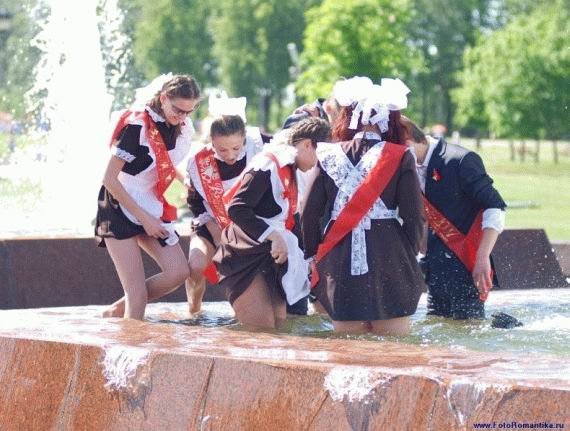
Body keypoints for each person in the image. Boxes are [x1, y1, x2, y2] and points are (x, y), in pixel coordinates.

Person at [302, 77, 425, 336]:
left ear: (347, 115)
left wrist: (312, 255)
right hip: (390, 253)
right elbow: (414, 216)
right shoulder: (401, 155)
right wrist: (410, 251)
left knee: (347, 347)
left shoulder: (326, 154)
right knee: (395, 350)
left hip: (340, 257)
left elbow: (309, 213)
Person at [96, 74, 201, 320]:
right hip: (118, 204)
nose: (182, 117)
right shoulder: (137, 126)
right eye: (178, 109)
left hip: (149, 202)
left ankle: (115, 312)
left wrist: (182, 179)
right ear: (163, 98)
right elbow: (109, 179)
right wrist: (146, 221)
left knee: (178, 272)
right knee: (138, 298)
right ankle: (130, 350)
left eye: (189, 111)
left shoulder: (179, 126)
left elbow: (160, 162)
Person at [213, 118, 331, 330]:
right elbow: (236, 208)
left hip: (272, 256)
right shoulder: (270, 162)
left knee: (280, 329)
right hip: (245, 255)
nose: (319, 164)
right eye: (321, 156)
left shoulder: (292, 166)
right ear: (306, 144)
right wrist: (273, 236)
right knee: (262, 331)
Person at [402, 117, 506, 320]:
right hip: (435, 270)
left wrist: (483, 256)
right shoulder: (410, 168)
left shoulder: (460, 160)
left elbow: (495, 206)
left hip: (467, 266)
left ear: (407, 140)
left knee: (469, 336)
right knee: (436, 331)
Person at [184, 93, 270, 314]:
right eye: (222, 149)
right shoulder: (200, 162)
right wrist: (213, 229)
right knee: (196, 265)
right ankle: (194, 311)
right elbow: (195, 202)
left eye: (236, 148)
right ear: (212, 142)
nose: (230, 155)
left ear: (244, 138)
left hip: (251, 224)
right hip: (212, 221)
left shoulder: (261, 146)